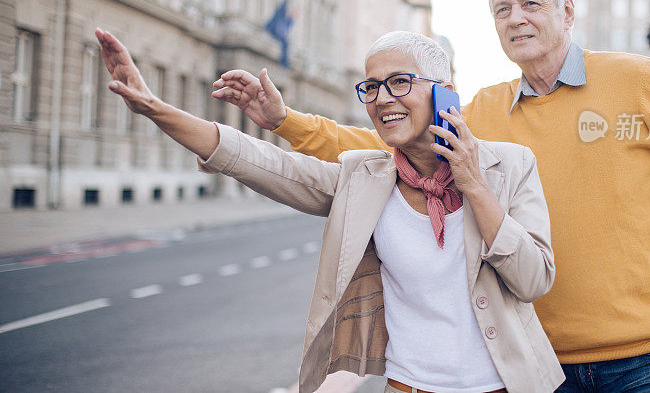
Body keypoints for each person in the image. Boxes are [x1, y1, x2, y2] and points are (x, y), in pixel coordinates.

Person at [212, 0, 650, 392]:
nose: (516, 18)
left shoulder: (638, 81)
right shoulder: (486, 111)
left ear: (567, 11)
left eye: (531, 4)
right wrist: (285, 121)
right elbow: (385, 146)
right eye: (502, 9)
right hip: (543, 364)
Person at [95, 28, 565, 393]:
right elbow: (255, 159)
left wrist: (474, 186)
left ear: (445, 91)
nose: (382, 99)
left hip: (505, 384)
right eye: (372, 87)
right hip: (407, 385)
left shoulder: (510, 166)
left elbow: (535, 279)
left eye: (399, 82)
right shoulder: (363, 177)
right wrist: (156, 109)